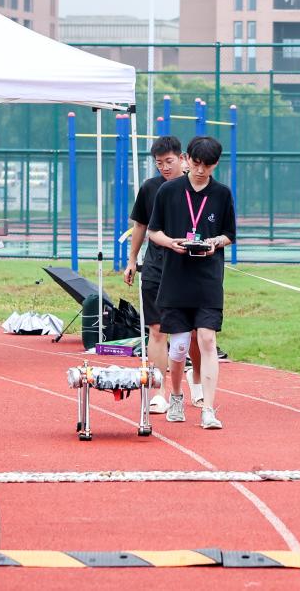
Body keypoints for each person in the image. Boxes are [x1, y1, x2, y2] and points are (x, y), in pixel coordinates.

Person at [148, 136, 236, 430]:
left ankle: (208, 408)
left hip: (208, 278)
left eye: (206, 166)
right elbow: (153, 231)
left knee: (207, 339)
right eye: (196, 164)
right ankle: (175, 395)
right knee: (179, 346)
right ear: (188, 159)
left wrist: (214, 243)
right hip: (175, 278)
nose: (200, 170)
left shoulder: (222, 194)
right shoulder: (169, 191)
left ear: (215, 164)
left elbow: (229, 234)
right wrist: (170, 243)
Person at [124, 135, 185, 414]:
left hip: (188, 270)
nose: (164, 167)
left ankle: (194, 384)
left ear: (182, 158)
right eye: (159, 163)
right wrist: (132, 260)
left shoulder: (195, 188)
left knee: (191, 333)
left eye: (169, 161)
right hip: (155, 267)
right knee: (157, 330)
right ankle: (160, 391)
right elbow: (140, 225)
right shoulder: (150, 188)